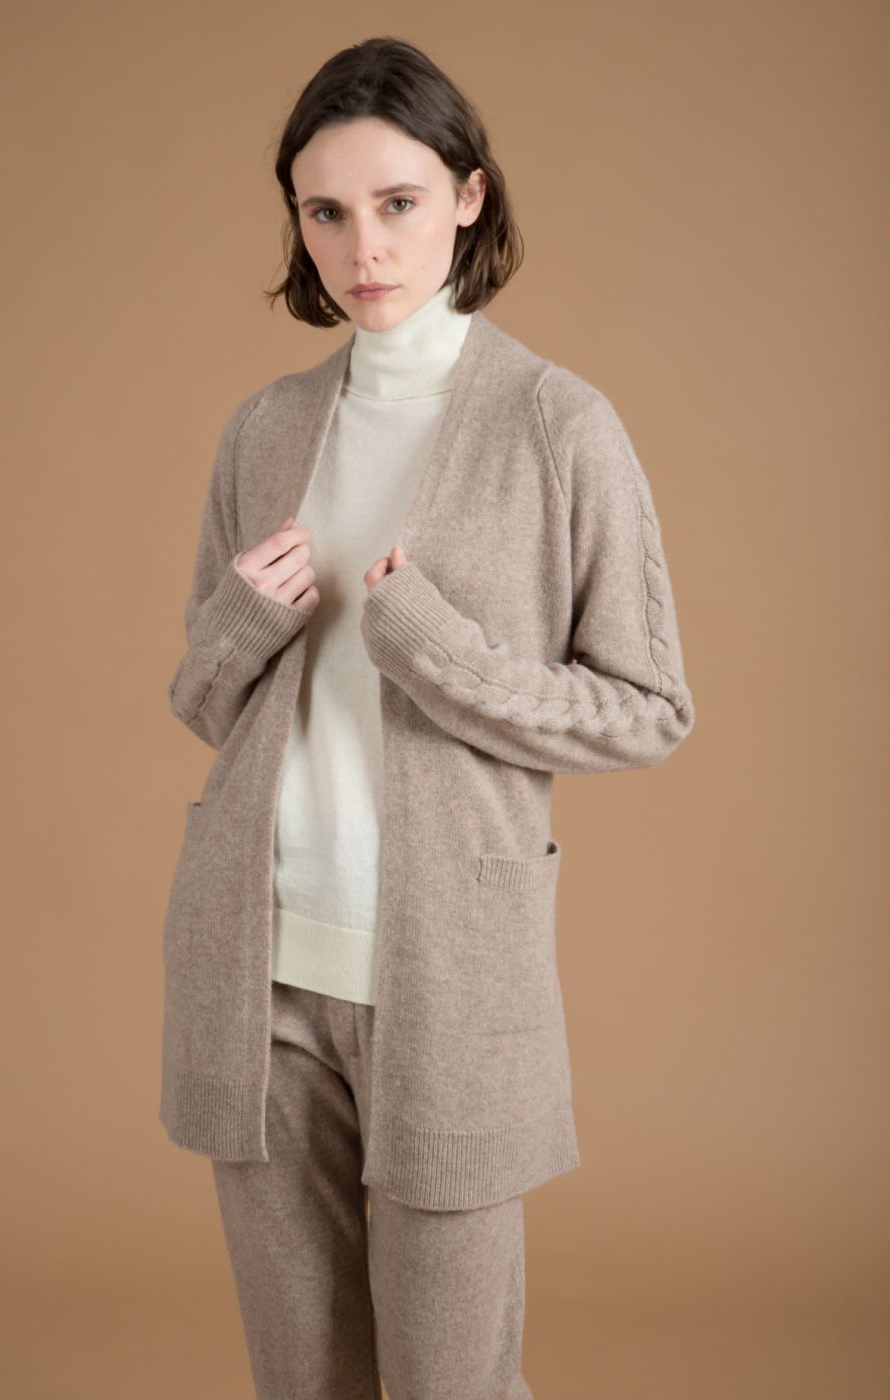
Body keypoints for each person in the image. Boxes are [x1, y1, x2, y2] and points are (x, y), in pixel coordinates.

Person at [159, 35, 696, 1400]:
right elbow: (203, 701)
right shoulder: (265, 430)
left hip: (448, 978)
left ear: (467, 196)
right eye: (325, 211)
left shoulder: (557, 426)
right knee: (304, 1381)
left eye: (397, 202)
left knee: (454, 1383)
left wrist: (438, 650)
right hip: (259, 971)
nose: (363, 247)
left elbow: (647, 709)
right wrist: (243, 623)